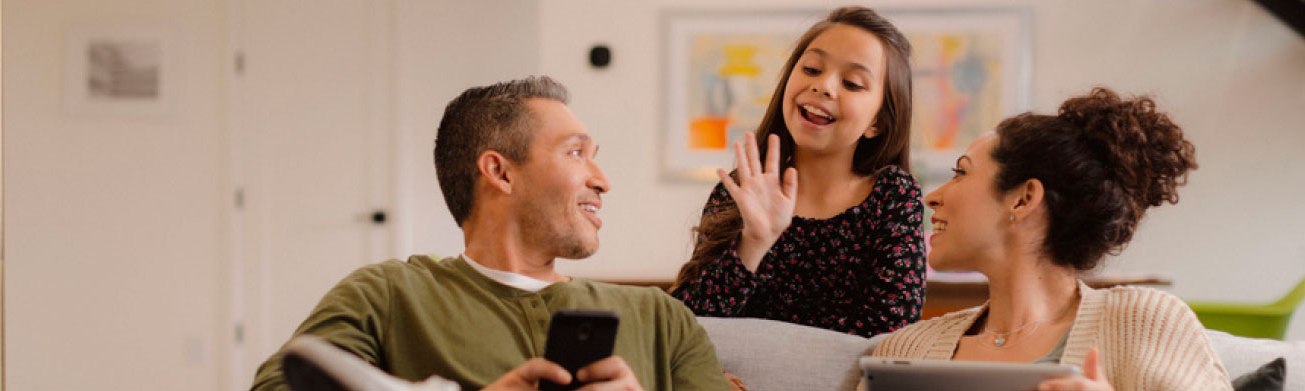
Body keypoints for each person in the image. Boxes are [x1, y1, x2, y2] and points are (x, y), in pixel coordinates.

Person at [249, 76, 729, 391]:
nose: (603, 180)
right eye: (576, 153)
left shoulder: (661, 318)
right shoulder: (390, 294)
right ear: (500, 173)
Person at [867, 88, 1229, 391]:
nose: (932, 197)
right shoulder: (907, 347)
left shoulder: (1144, 321)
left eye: (960, 173)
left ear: (1023, 199)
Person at [671, 6, 927, 338]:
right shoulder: (742, 188)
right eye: (811, 69)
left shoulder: (893, 194)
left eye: (852, 83)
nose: (824, 86)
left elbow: (892, 332)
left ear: (878, 122)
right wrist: (753, 243)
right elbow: (689, 327)